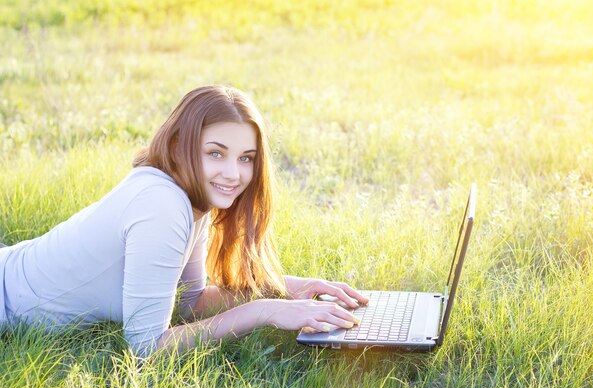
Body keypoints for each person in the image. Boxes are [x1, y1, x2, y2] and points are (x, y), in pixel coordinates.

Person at [0, 86, 367, 357]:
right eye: (215, 153)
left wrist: (282, 288)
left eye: (246, 158)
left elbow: (188, 301)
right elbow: (147, 348)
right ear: (179, 146)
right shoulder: (162, 205)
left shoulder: (192, 198)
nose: (233, 173)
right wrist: (264, 311)